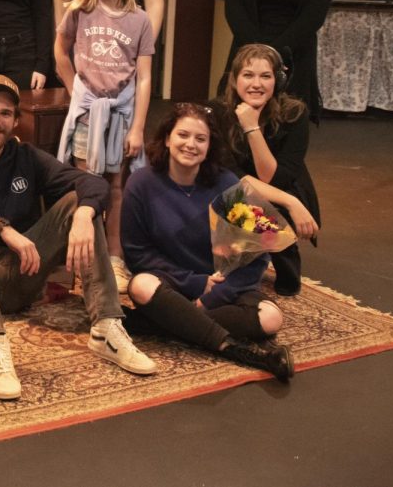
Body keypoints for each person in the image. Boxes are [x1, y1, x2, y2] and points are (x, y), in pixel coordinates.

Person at [0, 75, 156, 400]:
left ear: (15, 121)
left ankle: (106, 327)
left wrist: (83, 215)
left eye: (5, 113)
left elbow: (94, 185)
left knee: (82, 203)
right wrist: (2, 228)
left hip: (20, 280)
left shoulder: (27, 157)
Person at [121, 103, 304, 382]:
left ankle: (154, 324)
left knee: (271, 318)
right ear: (168, 138)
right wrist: (195, 283)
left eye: (200, 139)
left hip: (219, 286)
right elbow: (138, 253)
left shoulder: (226, 183)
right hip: (171, 283)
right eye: (183, 135)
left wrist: (210, 298)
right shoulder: (141, 183)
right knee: (140, 285)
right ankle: (241, 352)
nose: (190, 144)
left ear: (209, 147)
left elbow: (258, 253)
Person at [53, 0, 154, 293]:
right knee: (86, 185)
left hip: (122, 113)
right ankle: (85, 258)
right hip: (87, 113)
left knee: (115, 187)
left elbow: (145, 77)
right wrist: (75, 90)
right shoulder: (80, 11)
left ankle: (114, 255)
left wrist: (138, 126)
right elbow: (60, 52)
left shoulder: (140, 19)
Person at [220, 43, 321, 296]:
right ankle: (250, 257)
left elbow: (276, 178)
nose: (257, 84)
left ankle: (284, 257)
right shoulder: (218, 114)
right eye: (248, 75)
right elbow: (233, 178)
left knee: (254, 206)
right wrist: (290, 203)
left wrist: (252, 128)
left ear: (279, 80)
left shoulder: (295, 114)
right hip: (240, 191)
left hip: (284, 189)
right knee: (235, 198)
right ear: (234, 80)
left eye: (266, 76)